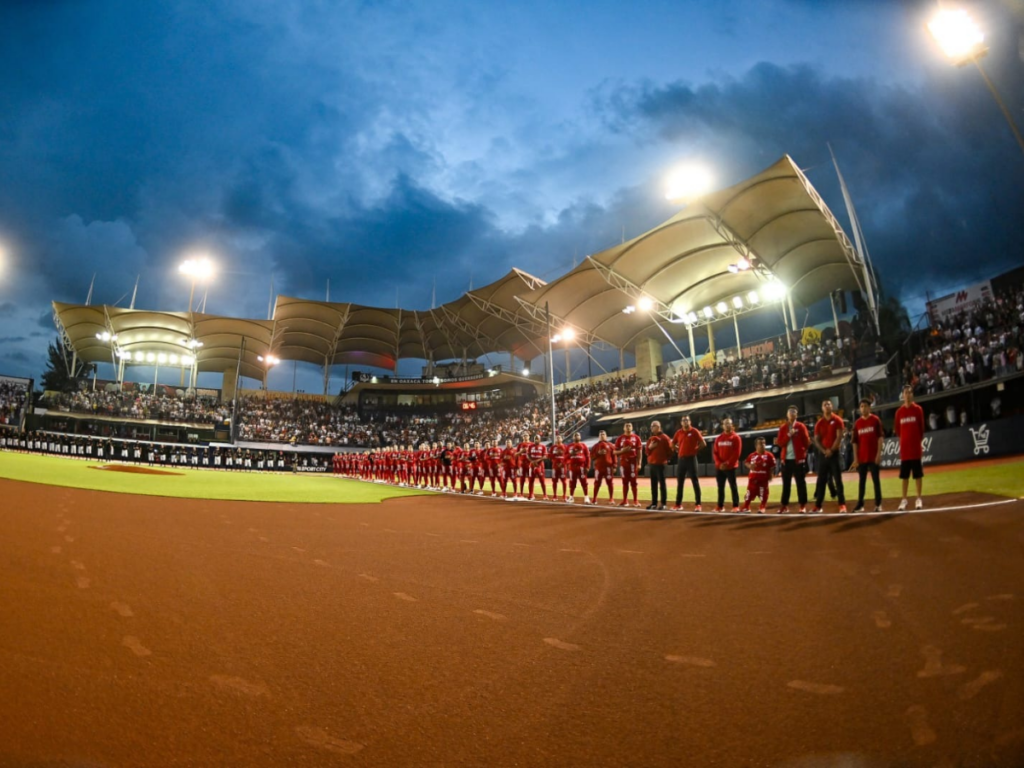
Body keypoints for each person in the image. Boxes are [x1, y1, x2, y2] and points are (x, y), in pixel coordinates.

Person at [812, 400, 847, 514]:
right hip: (823, 455)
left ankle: (842, 504)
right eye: (824, 405)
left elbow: (839, 437)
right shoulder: (819, 423)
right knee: (821, 480)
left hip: (834, 454)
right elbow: (816, 440)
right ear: (822, 408)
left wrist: (831, 450)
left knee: (838, 480)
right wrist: (824, 451)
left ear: (832, 406)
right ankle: (818, 506)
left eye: (829, 404)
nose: (827, 406)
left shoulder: (837, 420)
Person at [895, 384, 926, 511]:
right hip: (905, 450)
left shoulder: (918, 409)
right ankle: (904, 499)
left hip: (915, 449)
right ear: (902, 395)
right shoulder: (899, 412)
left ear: (912, 394)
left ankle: (918, 498)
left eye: (909, 392)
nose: (907, 395)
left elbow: (921, 429)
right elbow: (897, 430)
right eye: (905, 393)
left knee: (918, 475)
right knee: (904, 477)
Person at [850, 398, 884, 512]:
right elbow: (854, 442)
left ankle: (878, 504)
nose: (863, 408)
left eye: (865, 406)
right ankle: (860, 504)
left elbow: (880, 438)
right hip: (862, 458)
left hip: (873, 456)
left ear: (870, 407)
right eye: (861, 406)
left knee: (876, 481)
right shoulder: (857, 423)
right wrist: (855, 458)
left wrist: (879, 454)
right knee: (862, 482)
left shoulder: (875, 420)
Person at [670, 415, 703, 512]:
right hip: (681, 460)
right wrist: (677, 449)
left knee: (695, 481)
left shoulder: (694, 431)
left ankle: (698, 504)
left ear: (690, 422)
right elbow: (672, 443)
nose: (685, 422)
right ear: (681, 423)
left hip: (691, 459)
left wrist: (695, 450)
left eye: (687, 420)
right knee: (680, 482)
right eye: (683, 420)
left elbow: (703, 443)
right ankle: (678, 504)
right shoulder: (678, 432)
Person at [712, 418, 742, 512]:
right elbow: (715, 453)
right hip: (720, 468)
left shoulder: (736, 438)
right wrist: (719, 463)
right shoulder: (718, 438)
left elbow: (736, 453)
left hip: (731, 467)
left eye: (729, 423)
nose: (727, 425)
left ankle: (735, 506)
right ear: (722, 426)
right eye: (725, 424)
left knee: (733, 487)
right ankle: (720, 506)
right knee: (720, 487)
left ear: (732, 425)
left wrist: (727, 463)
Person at [741, 437, 777, 513]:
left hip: (763, 480)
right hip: (752, 480)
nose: (763, 445)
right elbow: (746, 462)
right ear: (756, 446)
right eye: (760, 444)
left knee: (764, 494)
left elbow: (772, 466)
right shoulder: (752, 455)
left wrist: (771, 474)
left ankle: (762, 507)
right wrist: (750, 466)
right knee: (749, 495)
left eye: (764, 443)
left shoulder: (769, 455)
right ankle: (746, 506)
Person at [645, 420, 672, 510]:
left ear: (659, 427)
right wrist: (650, 447)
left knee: (662, 484)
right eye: (651, 426)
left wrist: (665, 459)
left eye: (654, 426)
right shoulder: (650, 439)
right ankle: (654, 503)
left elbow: (670, 450)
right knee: (653, 485)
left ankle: (663, 503)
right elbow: (647, 452)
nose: (651, 428)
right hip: (652, 464)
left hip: (661, 464)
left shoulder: (665, 438)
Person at [614, 422, 643, 508]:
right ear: (623, 428)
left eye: (629, 426)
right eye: (626, 426)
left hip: (633, 462)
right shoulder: (620, 439)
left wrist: (639, 463)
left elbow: (639, 451)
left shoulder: (636, 438)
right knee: (624, 482)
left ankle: (635, 500)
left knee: (634, 482)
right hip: (623, 463)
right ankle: (625, 500)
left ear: (632, 427)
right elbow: (615, 452)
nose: (628, 427)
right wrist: (622, 451)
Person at [590, 430, 617, 505]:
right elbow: (591, 456)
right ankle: (594, 498)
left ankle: (611, 498)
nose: (602, 435)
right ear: (599, 437)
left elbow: (614, 456)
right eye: (601, 434)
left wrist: (614, 466)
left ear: (606, 436)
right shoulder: (595, 446)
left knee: (610, 483)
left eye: (603, 434)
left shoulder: (611, 445)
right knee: (597, 483)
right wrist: (598, 453)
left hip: (608, 467)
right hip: (598, 467)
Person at [566, 432, 592, 504]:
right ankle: (571, 497)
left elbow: (588, 457)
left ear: (580, 437)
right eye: (575, 435)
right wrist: (570, 454)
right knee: (572, 483)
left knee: (584, 482)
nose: (576, 436)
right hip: (572, 467)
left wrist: (587, 466)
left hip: (581, 467)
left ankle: (586, 497)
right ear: (573, 437)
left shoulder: (584, 446)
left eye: (578, 435)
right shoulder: (569, 446)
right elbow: (565, 457)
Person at [549, 435, 569, 502]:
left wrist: (563, 463)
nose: (558, 439)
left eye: (559, 438)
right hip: (555, 466)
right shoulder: (553, 447)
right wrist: (555, 455)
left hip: (563, 467)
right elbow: (549, 456)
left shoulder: (565, 447)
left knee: (564, 481)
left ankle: (564, 495)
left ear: (562, 439)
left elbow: (568, 456)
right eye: (557, 438)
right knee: (554, 481)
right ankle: (555, 495)